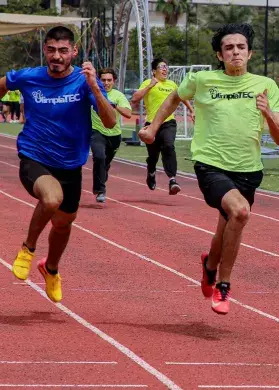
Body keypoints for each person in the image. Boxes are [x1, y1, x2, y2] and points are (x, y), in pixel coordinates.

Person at [139, 23, 279, 315]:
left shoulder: (266, 86)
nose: (235, 52)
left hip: (248, 169)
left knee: (226, 226)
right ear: (220, 55)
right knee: (240, 212)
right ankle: (224, 285)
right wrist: (153, 127)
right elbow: (174, 98)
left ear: (250, 53)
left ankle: (209, 266)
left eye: (240, 47)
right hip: (211, 164)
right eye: (229, 48)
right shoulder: (202, 79)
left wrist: (267, 111)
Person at [1, 26, 116, 302]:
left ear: (74, 52)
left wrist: (93, 87)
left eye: (63, 50)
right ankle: (28, 249)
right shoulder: (30, 77)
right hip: (34, 157)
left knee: (63, 225)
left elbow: (111, 121)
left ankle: (51, 268)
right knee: (51, 199)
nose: (57, 56)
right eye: (51, 50)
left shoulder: (83, 81)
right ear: (45, 50)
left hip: (70, 164)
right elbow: (3, 84)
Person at [131, 58, 194, 195]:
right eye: (161, 67)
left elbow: (181, 96)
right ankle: (151, 172)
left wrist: (191, 110)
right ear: (154, 71)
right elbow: (135, 98)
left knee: (169, 146)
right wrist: (149, 86)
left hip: (168, 123)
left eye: (166, 67)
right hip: (152, 124)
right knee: (153, 155)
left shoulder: (172, 84)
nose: (165, 69)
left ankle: (172, 180)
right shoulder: (148, 82)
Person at [90, 68, 132, 203]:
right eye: (103, 80)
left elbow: (128, 113)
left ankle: (103, 174)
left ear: (114, 81)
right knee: (99, 157)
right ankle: (100, 190)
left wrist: (115, 106)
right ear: (99, 81)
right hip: (96, 131)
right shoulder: (94, 93)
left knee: (105, 163)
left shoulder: (118, 96)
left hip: (114, 135)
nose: (106, 83)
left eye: (109, 80)